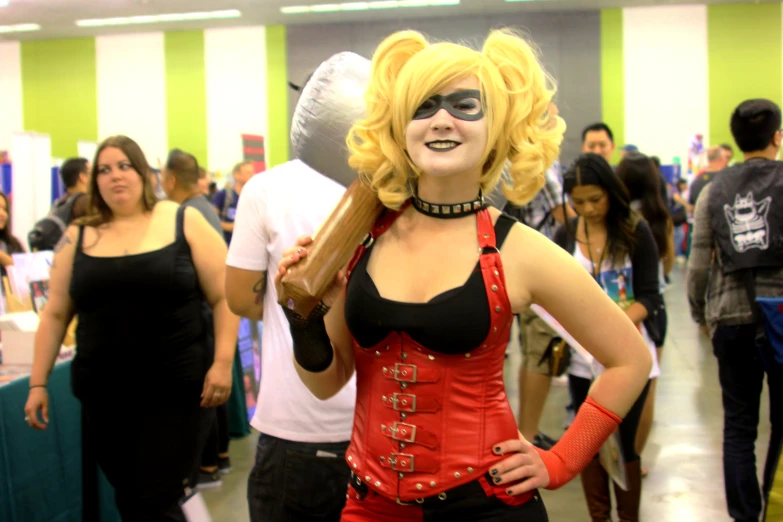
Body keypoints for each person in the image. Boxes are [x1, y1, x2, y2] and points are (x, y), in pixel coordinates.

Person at [275, 29, 652, 520]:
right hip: (369, 505)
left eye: (465, 105)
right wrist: (302, 318)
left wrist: (560, 461)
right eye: (424, 106)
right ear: (401, 126)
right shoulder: (362, 236)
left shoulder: (519, 250)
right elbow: (328, 383)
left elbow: (630, 360)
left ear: (495, 125)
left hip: (486, 503)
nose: (442, 120)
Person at [23, 135, 240, 522]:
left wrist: (223, 362)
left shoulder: (181, 219)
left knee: (155, 497)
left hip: (177, 392)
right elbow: (55, 313)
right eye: (104, 169)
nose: (115, 176)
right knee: (132, 498)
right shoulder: (78, 235)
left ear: (143, 173)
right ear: (93, 182)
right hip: (106, 397)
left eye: (124, 166)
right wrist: (38, 382)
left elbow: (225, 296)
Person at [688, 99, 783, 522]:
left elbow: (697, 264)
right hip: (780, 318)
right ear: (776, 137)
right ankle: (776, 507)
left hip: (730, 317)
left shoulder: (713, 190)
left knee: (739, 427)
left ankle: (745, 516)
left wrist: (699, 313)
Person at [555, 153, 661, 522]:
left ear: (610, 194)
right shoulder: (565, 235)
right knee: (589, 441)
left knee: (626, 444)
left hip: (630, 359)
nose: (587, 209)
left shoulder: (635, 229)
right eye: (578, 202)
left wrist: (616, 325)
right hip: (583, 361)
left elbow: (650, 294)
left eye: (595, 200)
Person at [162, 148, 232, 488]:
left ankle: (206, 466)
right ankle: (218, 458)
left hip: (201, 320)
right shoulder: (204, 207)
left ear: (170, 179)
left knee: (205, 396)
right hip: (208, 319)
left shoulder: (185, 215)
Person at [503, 157, 575, 450]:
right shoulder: (535, 160)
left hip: (515, 264)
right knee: (540, 352)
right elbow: (565, 215)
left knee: (532, 348)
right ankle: (528, 435)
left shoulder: (508, 159)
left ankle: (526, 431)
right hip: (539, 267)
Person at [615, 151, 674, 476]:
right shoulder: (659, 216)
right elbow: (667, 265)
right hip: (654, 311)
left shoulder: (618, 220)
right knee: (648, 386)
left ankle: (616, 452)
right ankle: (633, 459)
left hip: (621, 307)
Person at [212, 161, 255, 244]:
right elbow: (211, 220)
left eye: (253, 173)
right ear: (236, 174)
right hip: (227, 243)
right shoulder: (223, 195)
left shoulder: (256, 196)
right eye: (248, 173)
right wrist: (231, 227)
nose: (252, 176)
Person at [0, 191, 25, 274]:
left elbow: (26, 272)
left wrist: (3, 258)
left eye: (4, 209)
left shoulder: (13, 244)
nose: (2, 213)